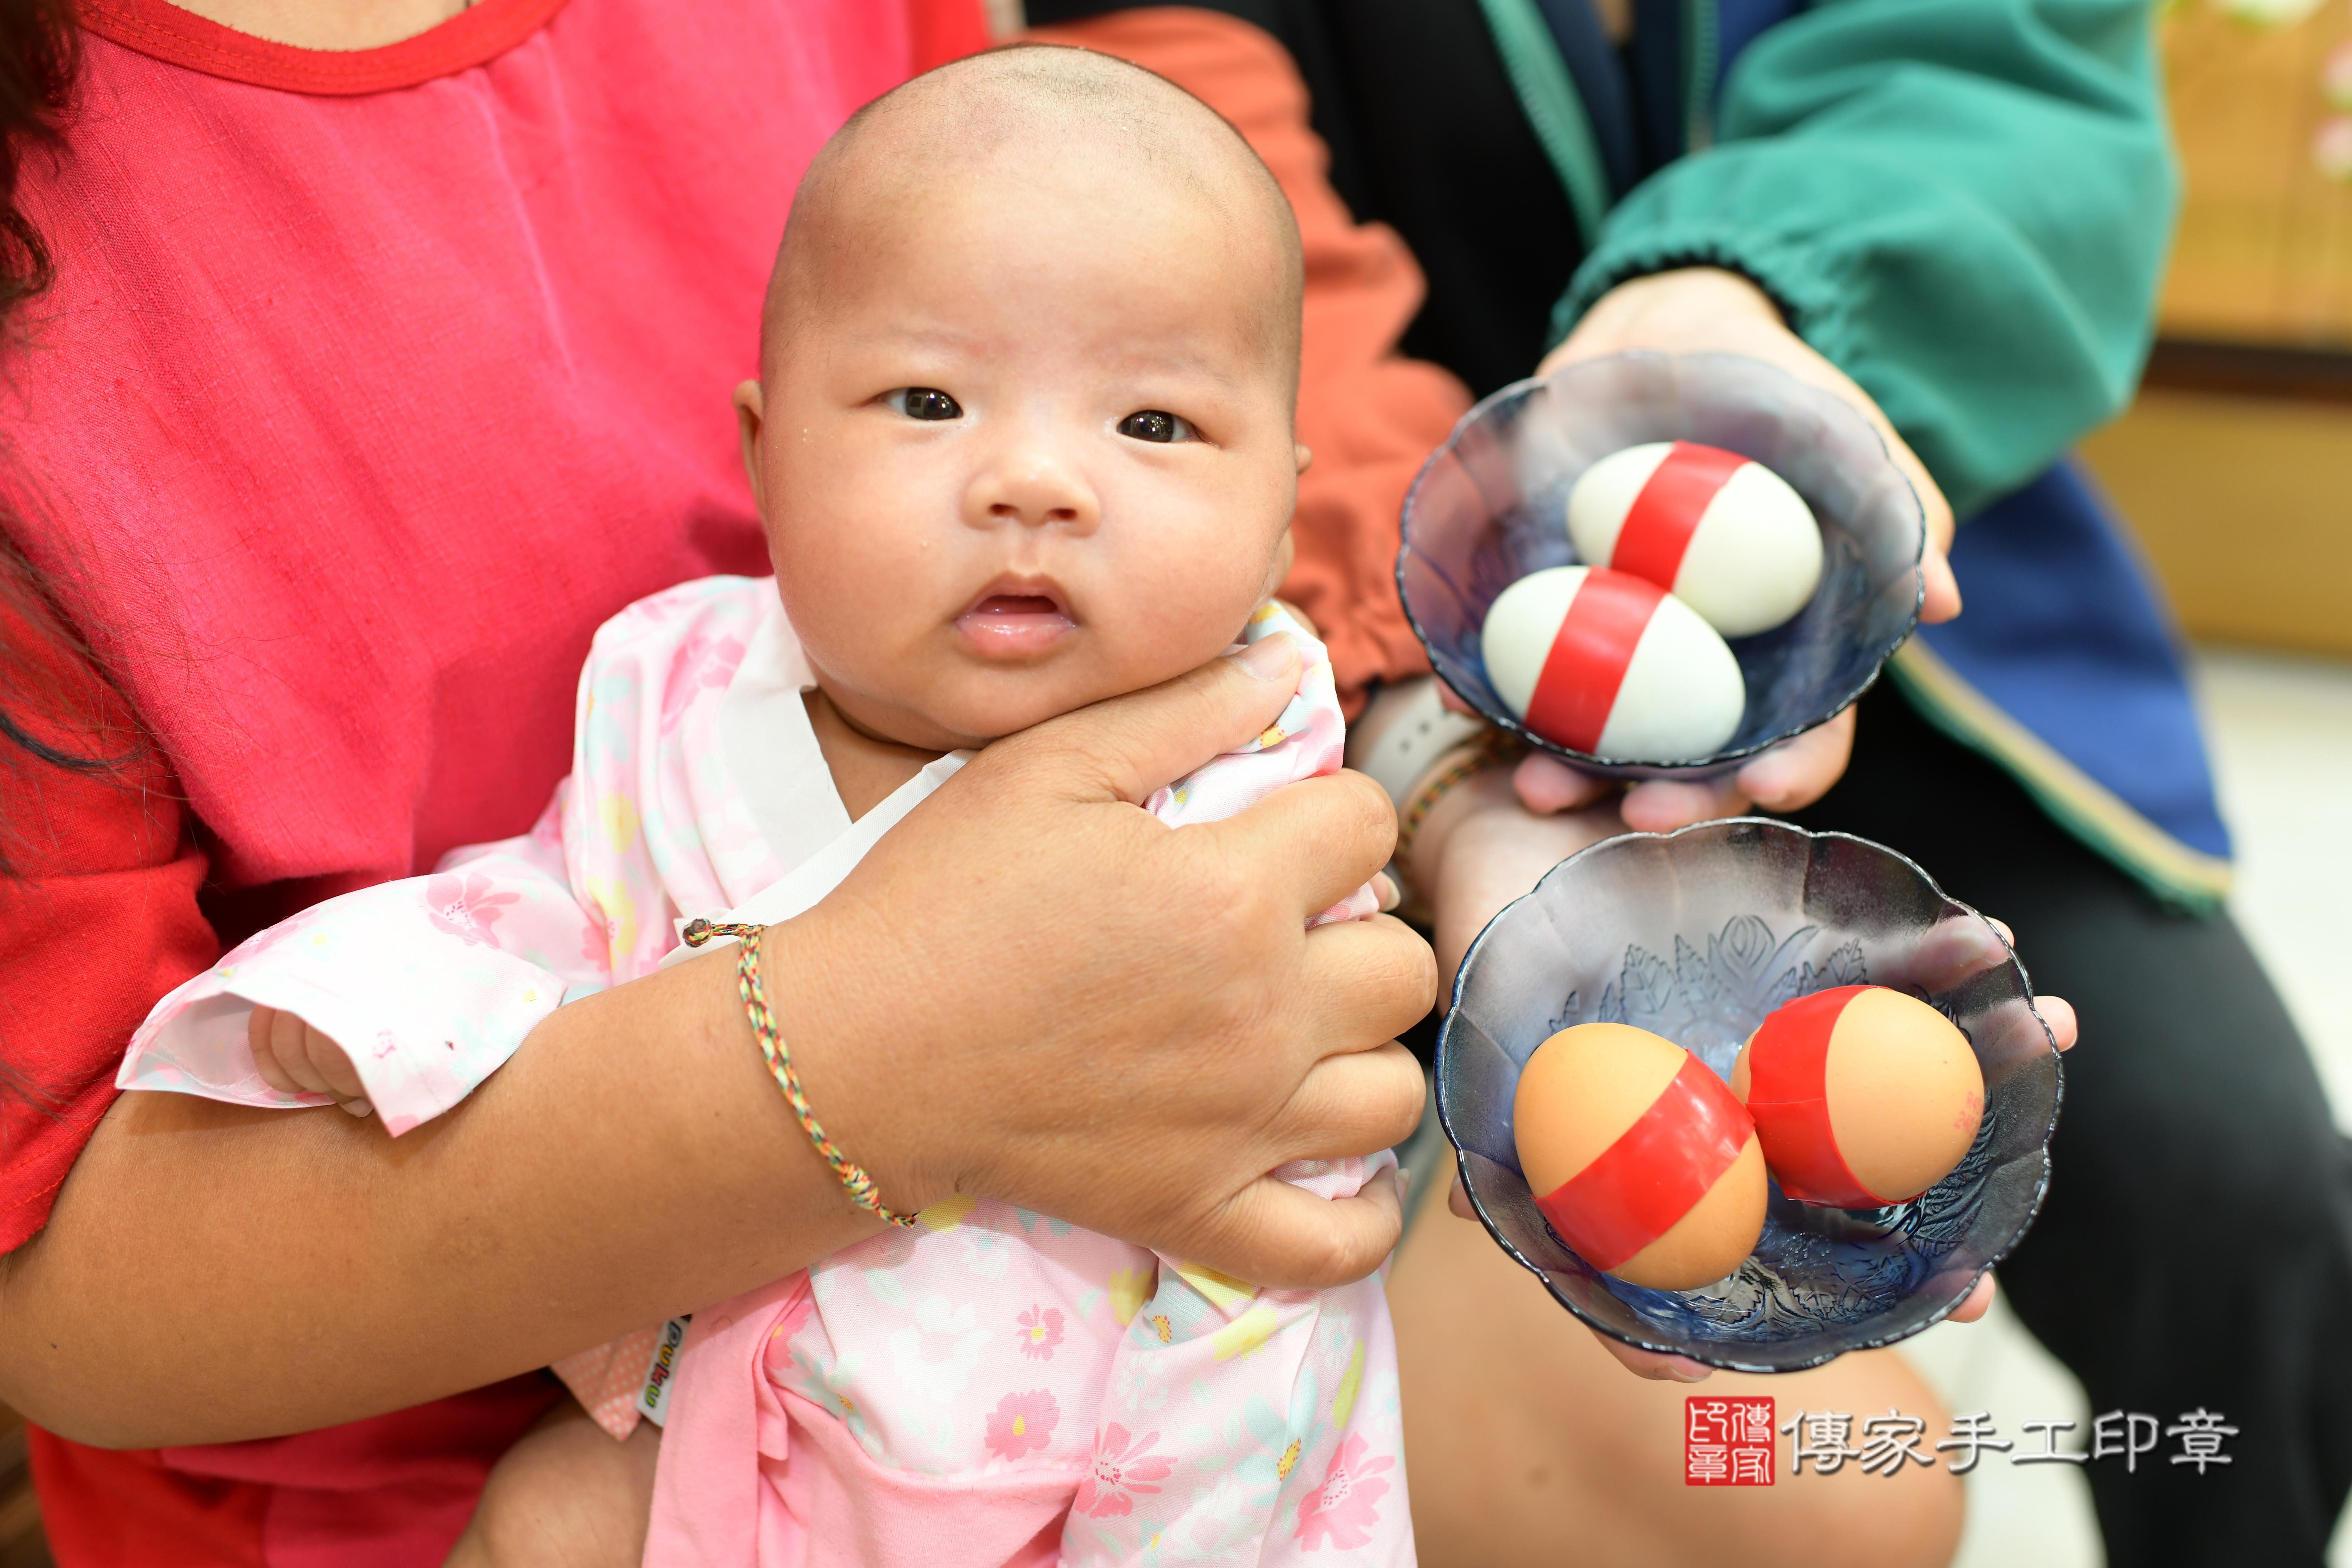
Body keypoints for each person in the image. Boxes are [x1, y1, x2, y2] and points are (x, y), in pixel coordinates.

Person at [0, 3, 1445, 1562]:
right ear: (763, 459)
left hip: (1122, 1437)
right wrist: (353, 1018)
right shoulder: (680, 692)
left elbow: (1284, 1219)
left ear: (1273, 499)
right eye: (928, 404)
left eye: (1153, 426)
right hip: (671, 1426)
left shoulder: (1250, 726)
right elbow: (546, 913)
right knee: (545, 1524)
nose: (1035, 479)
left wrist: (1453, 773)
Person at [1028, 3, 2349, 1566]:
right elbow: (1219, 255)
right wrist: (1438, 736)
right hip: (1368, 638)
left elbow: (2007, 74)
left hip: (1896, 626)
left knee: (2252, 1208)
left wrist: (1736, 297)